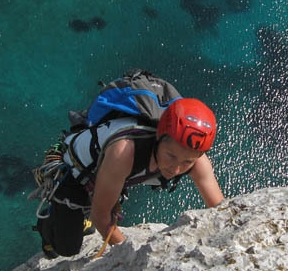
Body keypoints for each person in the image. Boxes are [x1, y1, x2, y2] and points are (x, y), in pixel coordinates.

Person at [35, 97, 224, 258]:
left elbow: (221, 210)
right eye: (171, 156)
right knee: (65, 249)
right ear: (158, 136)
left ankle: (84, 214)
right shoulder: (125, 151)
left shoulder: (193, 155)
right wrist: (133, 257)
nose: (176, 168)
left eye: (187, 163)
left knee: (96, 212)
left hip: (112, 172)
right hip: (75, 169)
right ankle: (47, 223)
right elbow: (101, 217)